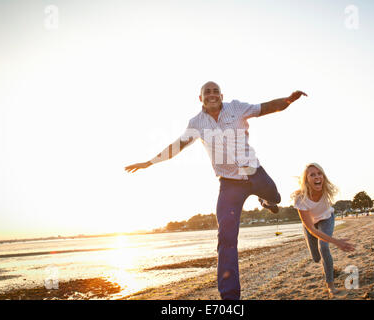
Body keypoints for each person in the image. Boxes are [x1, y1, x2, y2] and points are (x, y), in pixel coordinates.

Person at [125, 81, 307, 300]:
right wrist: (150, 162)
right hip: (229, 184)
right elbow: (177, 146)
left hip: (254, 172)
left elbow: (265, 107)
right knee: (226, 238)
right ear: (200, 98)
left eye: (215, 91)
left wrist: (287, 101)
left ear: (221, 95)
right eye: (206, 92)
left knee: (275, 197)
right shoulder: (197, 123)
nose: (211, 95)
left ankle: (266, 201)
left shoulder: (237, 108)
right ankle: (230, 297)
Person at [291, 163, 355, 297]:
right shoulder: (300, 198)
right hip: (311, 225)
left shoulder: (327, 189)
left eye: (319, 174)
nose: (317, 177)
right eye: (312, 175)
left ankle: (330, 285)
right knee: (315, 257)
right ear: (306, 180)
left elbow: (324, 239)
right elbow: (311, 228)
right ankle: (327, 266)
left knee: (324, 247)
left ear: (323, 176)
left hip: (327, 218)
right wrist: (337, 241)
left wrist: (333, 242)